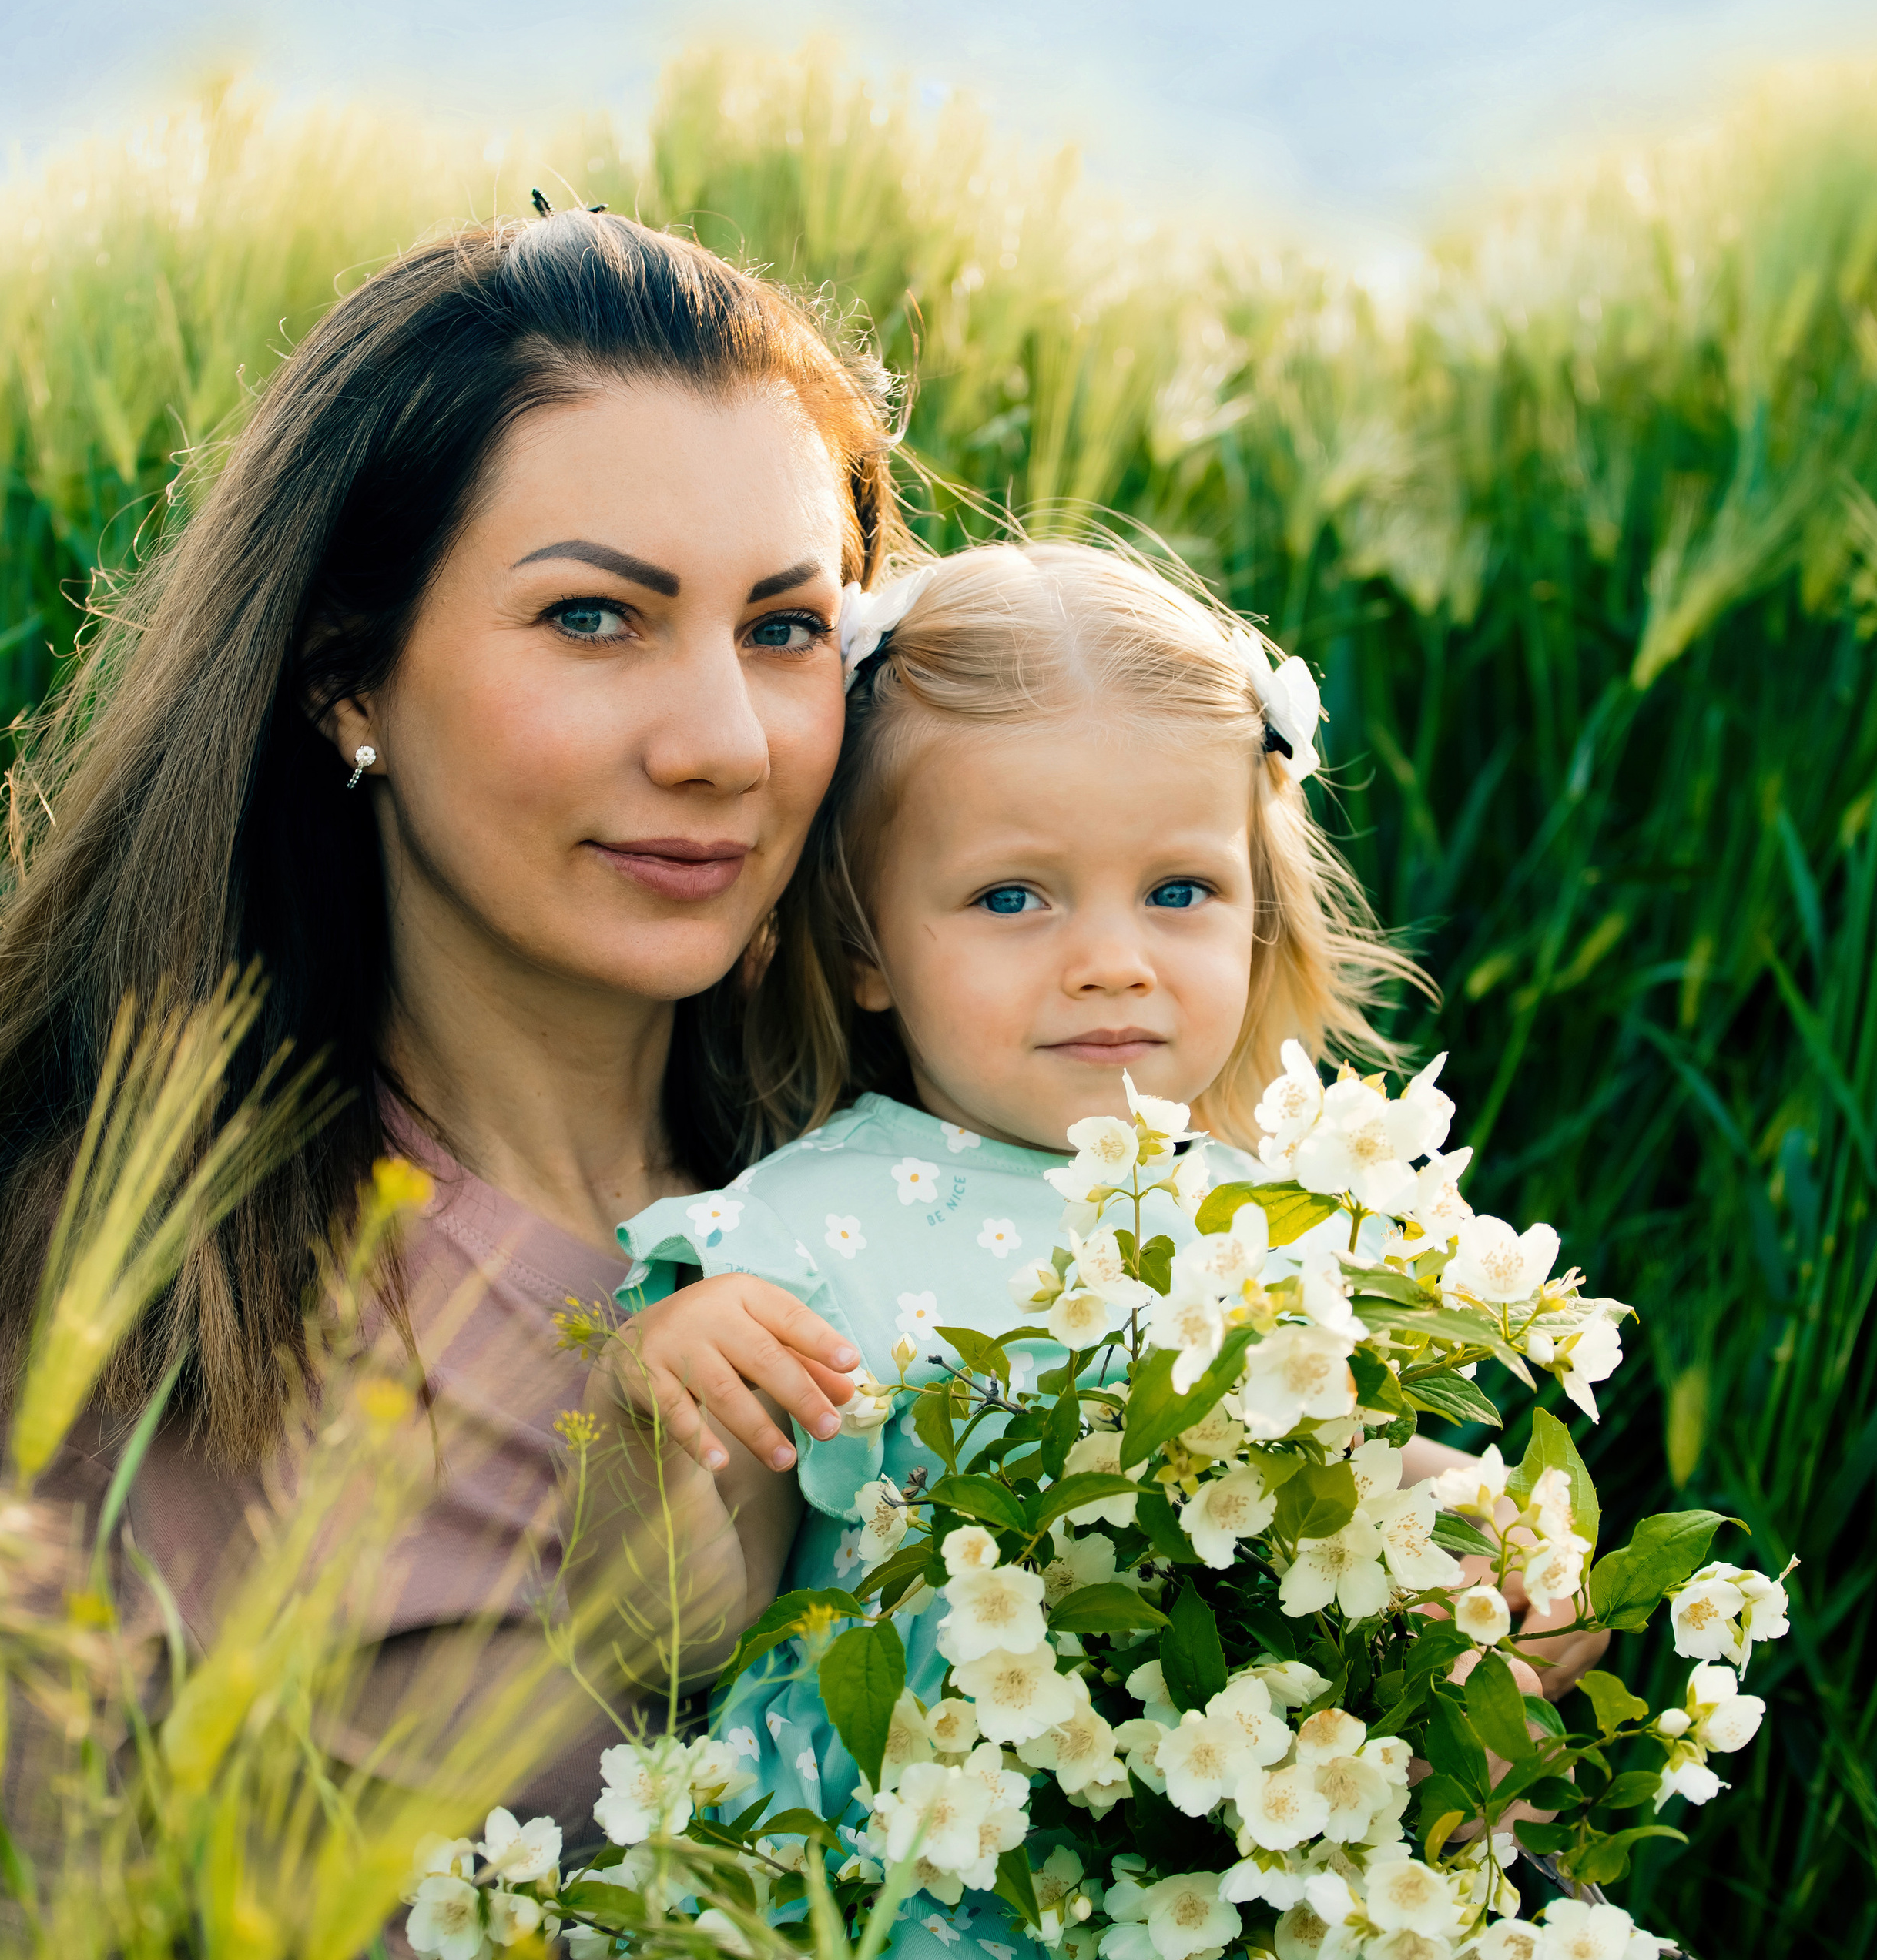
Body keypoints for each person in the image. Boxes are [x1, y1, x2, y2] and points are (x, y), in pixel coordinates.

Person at [0, 206, 916, 1875]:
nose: (721, 743)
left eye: (783, 627)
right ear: (348, 678)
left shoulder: (932, 1183)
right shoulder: (138, 1327)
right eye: (593, 619)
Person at [618, 541, 1609, 1958]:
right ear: (863, 943)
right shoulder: (802, 1234)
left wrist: (1477, 1516)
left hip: (1224, 1880)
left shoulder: (1274, 1213)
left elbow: (1336, 1463)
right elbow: (692, 1642)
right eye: (1013, 898)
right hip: (925, 1899)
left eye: (1180, 893)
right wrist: (661, 1419)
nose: (1110, 960)